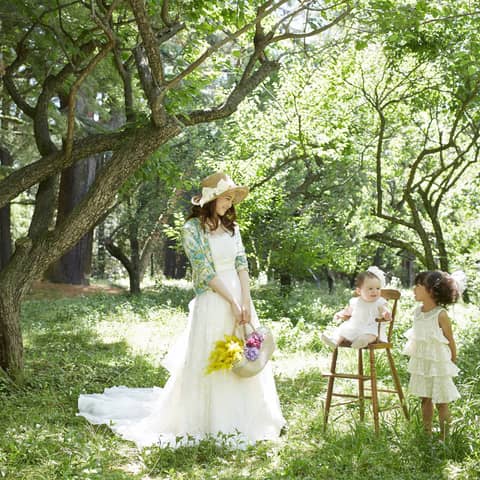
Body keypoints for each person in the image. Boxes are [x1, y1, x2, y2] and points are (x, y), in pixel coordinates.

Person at [78, 172, 285, 448]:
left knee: (245, 354)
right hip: (214, 298)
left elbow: (241, 264)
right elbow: (204, 271)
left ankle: (247, 419)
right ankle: (210, 421)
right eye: (226, 197)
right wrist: (232, 303)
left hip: (239, 295)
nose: (230, 203)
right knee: (214, 357)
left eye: (232, 198)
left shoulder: (232, 229)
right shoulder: (192, 230)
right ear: (211, 200)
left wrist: (245, 301)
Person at [403, 270, 460, 440]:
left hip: (439, 365)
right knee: (425, 399)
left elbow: (450, 340)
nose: (414, 289)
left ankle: (444, 437)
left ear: (431, 290)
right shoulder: (418, 312)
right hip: (423, 365)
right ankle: (427, 433)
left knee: (442, 402)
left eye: (418, 285)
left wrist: (451, 363)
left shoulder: (440, 314)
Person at [321, 266, 391, 349]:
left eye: (378, 288)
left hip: (371, 328)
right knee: (342, 329)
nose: (375, 291)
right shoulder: (355, 301)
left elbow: (384, 310)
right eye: (370, 288)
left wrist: (386, 314)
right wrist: (339, 314)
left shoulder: (379, 302)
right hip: (355, 327)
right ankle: (335, 341)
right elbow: (348, 311)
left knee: (371, 334)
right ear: (359, 291)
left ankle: (361, 341)